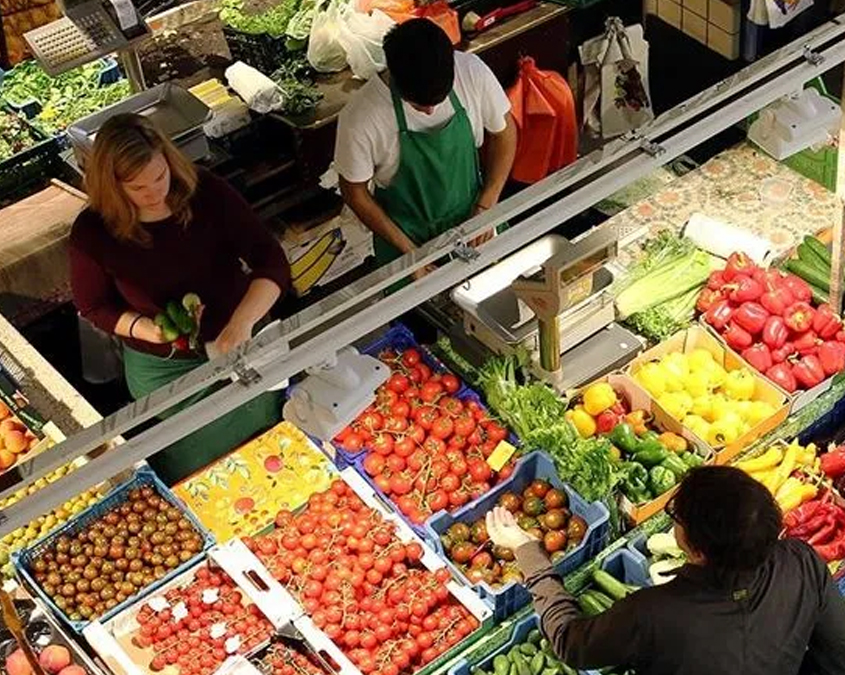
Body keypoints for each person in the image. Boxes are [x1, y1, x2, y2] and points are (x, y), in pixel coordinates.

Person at [486, 466, 845, 675]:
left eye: (675, 514)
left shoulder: (655, 613)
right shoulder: (802, 562)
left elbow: (571, 643)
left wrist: (528, 552)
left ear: (696, 548)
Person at [69, 113, 291, 481]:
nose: (154, 192)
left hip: (240, 344)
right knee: (207, 468)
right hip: (165, 370)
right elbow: (93, 306)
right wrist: (145, 329)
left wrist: (242, 323)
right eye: (138, 188)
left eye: (160, 176)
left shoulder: (206, 192)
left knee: (270, 448)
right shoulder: (94, 232)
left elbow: (271, 263)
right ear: (112, 187)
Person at [334, 18, 517, 277]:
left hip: (473, 221)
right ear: (394, 76)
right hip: (405, 237)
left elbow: (505, 132)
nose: (430, 111)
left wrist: (487, 203)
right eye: (419, 105)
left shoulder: (471, 71)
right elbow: (354, 191)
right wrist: (410, 253)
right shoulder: (360, 117)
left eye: (438, 100)